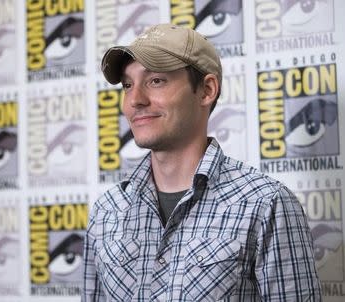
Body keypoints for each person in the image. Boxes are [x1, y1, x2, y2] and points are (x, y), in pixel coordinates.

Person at [82, 23, 321, 301]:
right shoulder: (107, 212)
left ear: (207, 90)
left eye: (156, 80)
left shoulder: (266, 204)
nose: (135, 100)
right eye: (127, 85)